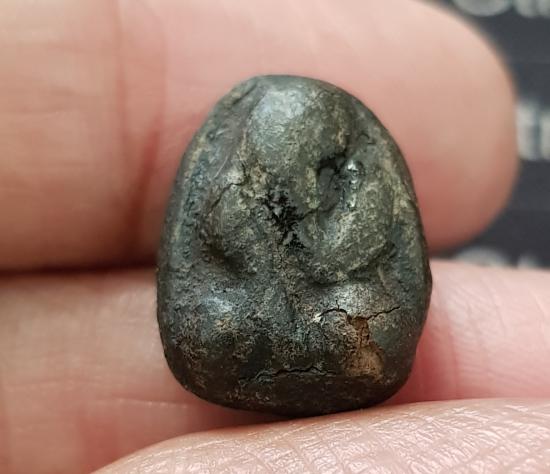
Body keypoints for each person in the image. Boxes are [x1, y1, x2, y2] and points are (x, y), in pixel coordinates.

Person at [0, 1, 548, 472]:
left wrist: (315, 254)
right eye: (275, 152)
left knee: (360, 323)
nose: (291, 172)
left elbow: (354, 257)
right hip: (249, 315)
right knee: (217, 326)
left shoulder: (358, 182)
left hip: (332, 311)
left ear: (331, 152)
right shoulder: (232, 192)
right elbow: (223, 254)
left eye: (305, 154)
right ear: (255, 148)